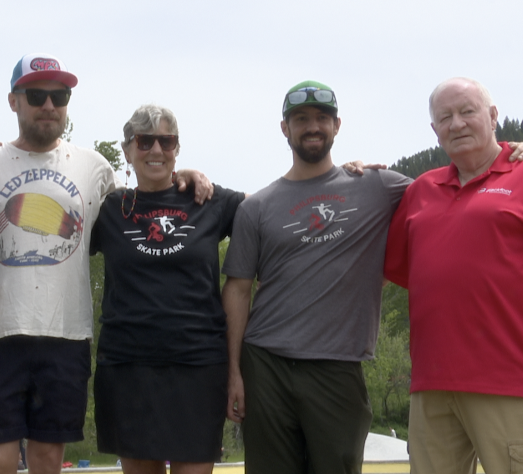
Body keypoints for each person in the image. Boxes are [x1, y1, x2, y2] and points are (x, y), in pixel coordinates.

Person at [0, 52, 211, 474]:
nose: (49, 105)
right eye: (37, 95)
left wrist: (184, 177)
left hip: (67, 334)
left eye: (60, 95)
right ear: (13, 101)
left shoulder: (95, 166)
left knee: (49, 460)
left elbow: (141, 207)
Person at [221, 81, 411, 474]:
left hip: (337, 368)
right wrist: (234, 371)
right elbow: (238, 290)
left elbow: (449, 191)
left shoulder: (378, 186)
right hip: (266, 365)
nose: (313, 127)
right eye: (301, 119)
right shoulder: (255, 207)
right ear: (284, 128)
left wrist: (509, 157)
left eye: (322, 118)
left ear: (337, 125)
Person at [90, 104, 246, 474]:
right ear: (128, 149)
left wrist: (333, 176)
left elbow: (273, 211)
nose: (156, 150)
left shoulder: (209, 201)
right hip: (128, 367)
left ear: (177, 148)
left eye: (167, 141)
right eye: (145, 141)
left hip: (197, 365)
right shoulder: (112, 208)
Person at [384, 77, 523, 474]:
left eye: (467, 112)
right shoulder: (422, 190)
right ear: (434, 130)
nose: (456, 123)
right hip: (431, 385)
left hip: (509, 380)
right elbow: (396, 272)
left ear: (494, 116)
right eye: (444, 117)